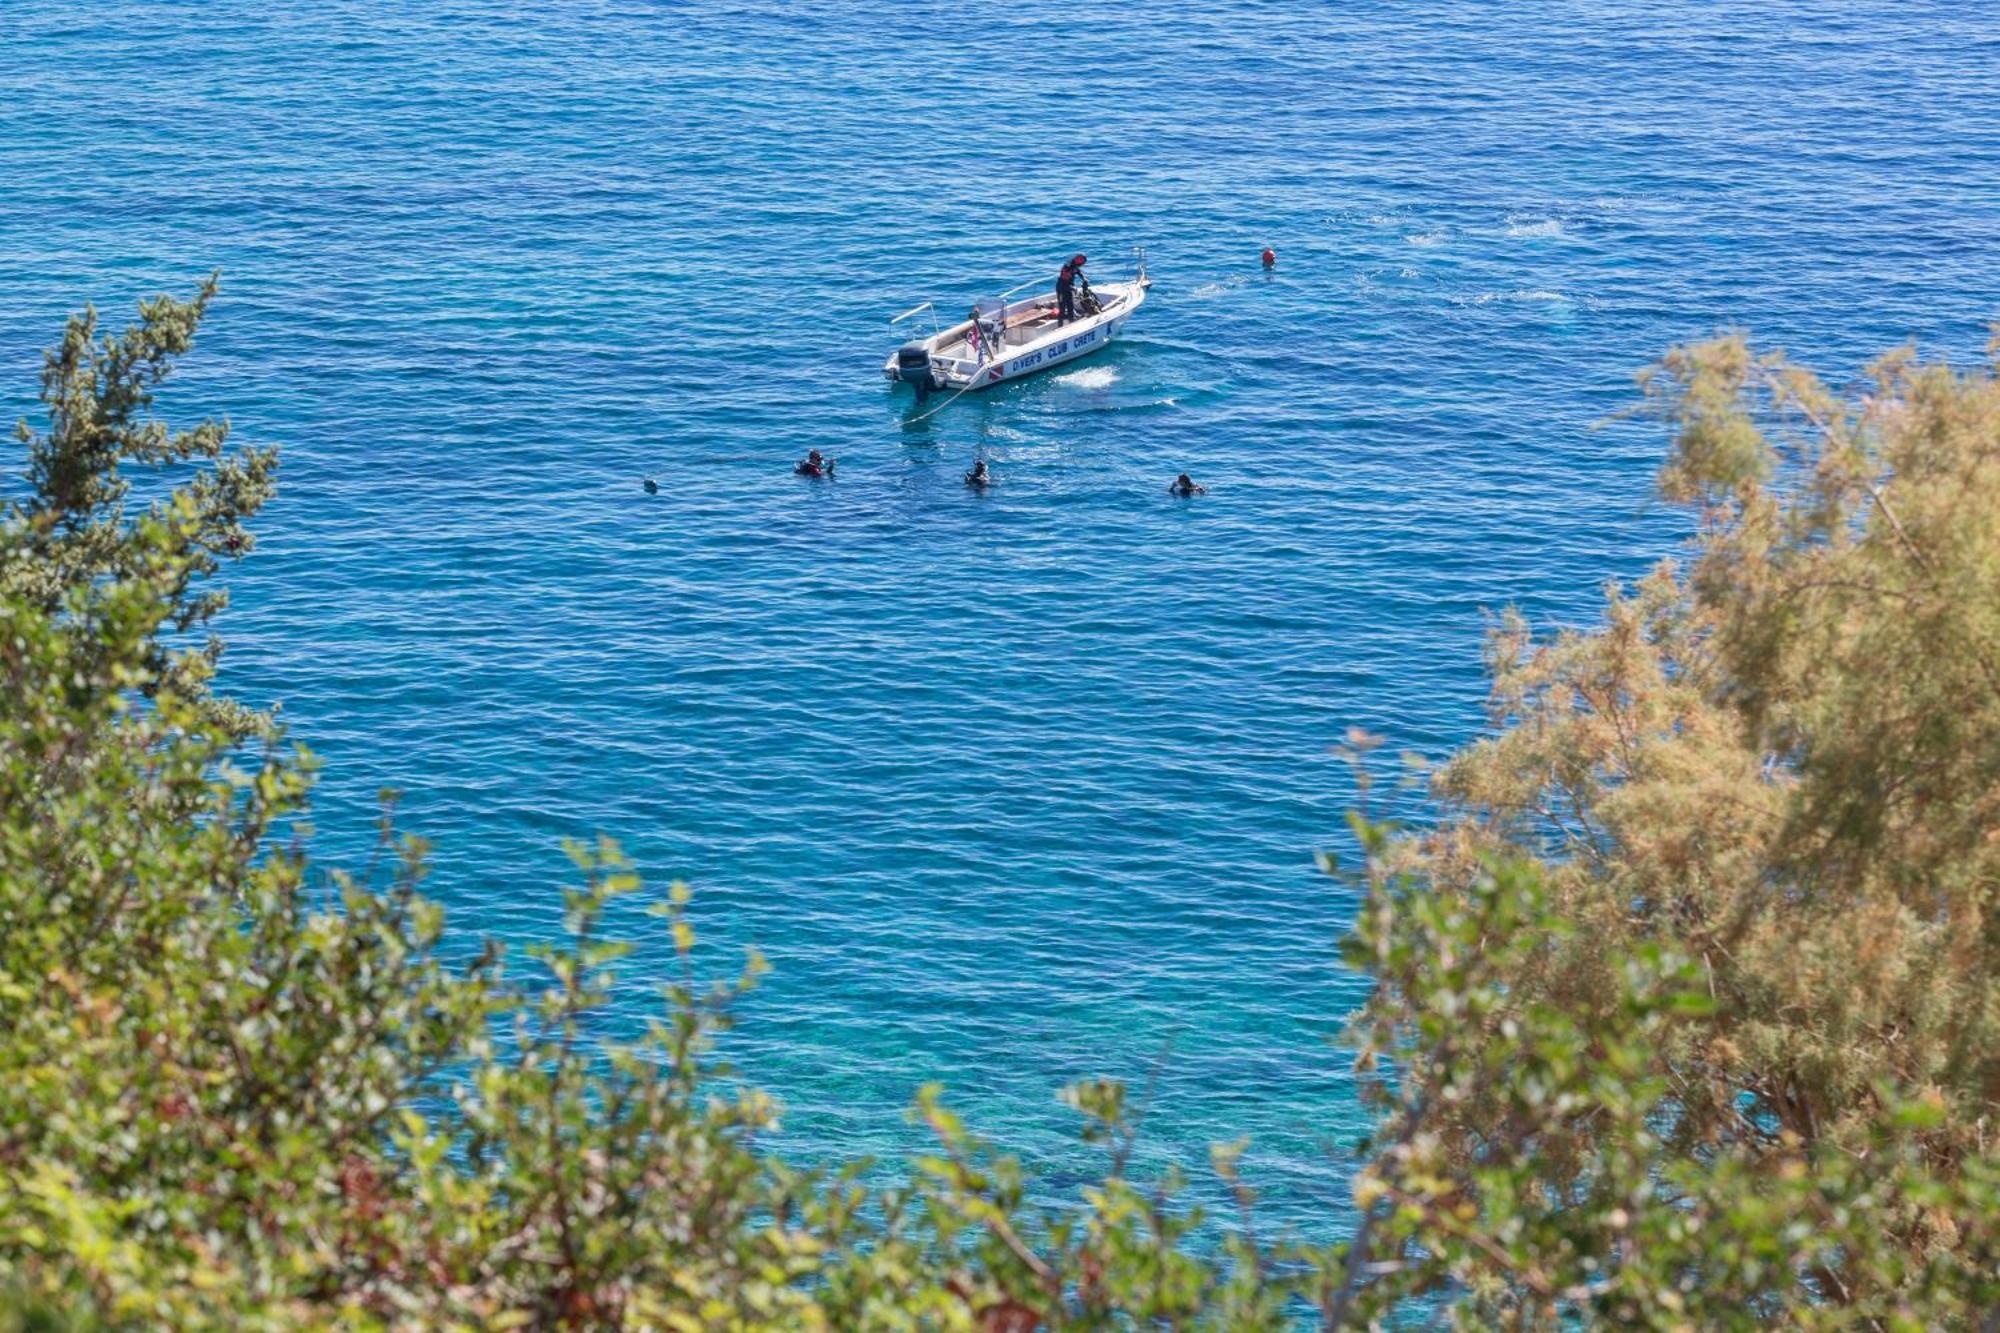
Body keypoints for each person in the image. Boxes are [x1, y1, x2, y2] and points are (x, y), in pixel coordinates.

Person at [1056, 253, 1088, 324]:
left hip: (1069, 288)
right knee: (1062, 308)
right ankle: (1060, 325)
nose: (1082, 264)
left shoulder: (1075, 266)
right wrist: (1072, 287)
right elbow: (1064, 279)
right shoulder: (1067, 267)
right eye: (1082, 262)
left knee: (1070, 306)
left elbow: (1078, 272)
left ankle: (1071, 322)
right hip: (1061, 289)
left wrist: (1084, 278)